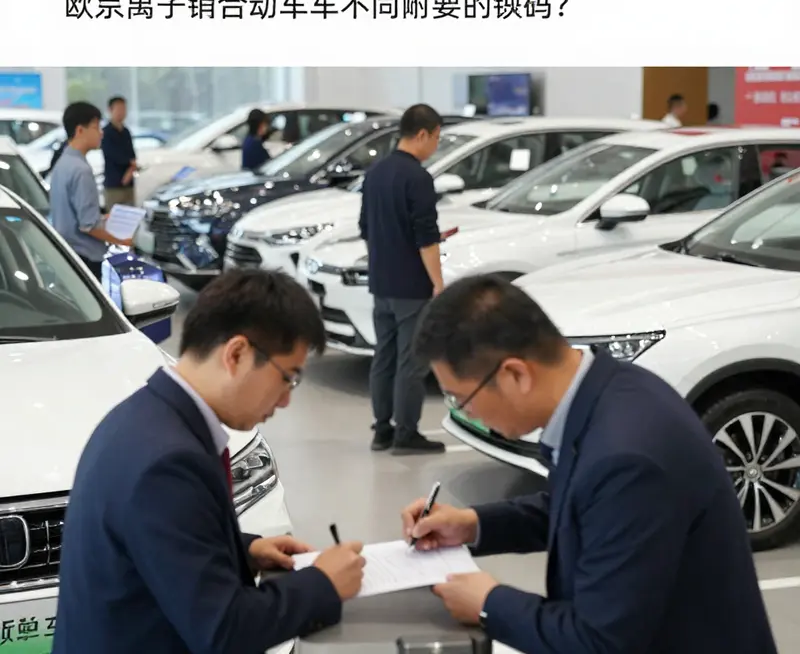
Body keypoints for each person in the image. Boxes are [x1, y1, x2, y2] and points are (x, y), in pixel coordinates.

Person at [401, 275, 778, 654]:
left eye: (462, 398)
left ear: (515, 374)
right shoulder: (608, 391)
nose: (469, 413)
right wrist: (474, 525)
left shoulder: (627, 457)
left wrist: (488, 603)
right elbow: (582, 509)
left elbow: (600, 642)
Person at [53, 269, 366, 654]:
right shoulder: (167, 464)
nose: (286, 400)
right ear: (236, 354)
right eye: (288, 378)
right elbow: (223, 631)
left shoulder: (145, 417)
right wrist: (323, 583)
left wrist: (243, 549)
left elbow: (159, 546)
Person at [359, 103, 446, 456]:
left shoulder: (375, 173)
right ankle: (406, 434)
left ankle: (382, 430)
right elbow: (426, 238)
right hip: (412, 286)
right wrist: (438, 282)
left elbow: (366, 227)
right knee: (412, 362)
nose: (436, 146)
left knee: (384, 356)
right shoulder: (419, 178)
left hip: (381, 281)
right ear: (422, 134)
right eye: (437, 138)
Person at [49, 101, 133, 280]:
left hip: (67, 255)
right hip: (85, 258)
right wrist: (123, 241)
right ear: (80, 130)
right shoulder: (81, 170)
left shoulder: (62, 163)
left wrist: (101, 218)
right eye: (96, 127)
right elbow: (88, 226)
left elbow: (72, 215)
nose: (101, 133)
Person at [101, 95, 138, 208]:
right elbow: (111, 154)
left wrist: (131, 168)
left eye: (124, 108)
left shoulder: (126, 132)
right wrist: (130, 164)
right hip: (114, 184)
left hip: (129, 184)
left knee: (130, 217)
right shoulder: (106, 132)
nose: (122, 112)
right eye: (119, 108)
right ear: (110, 110)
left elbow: (132, 154)